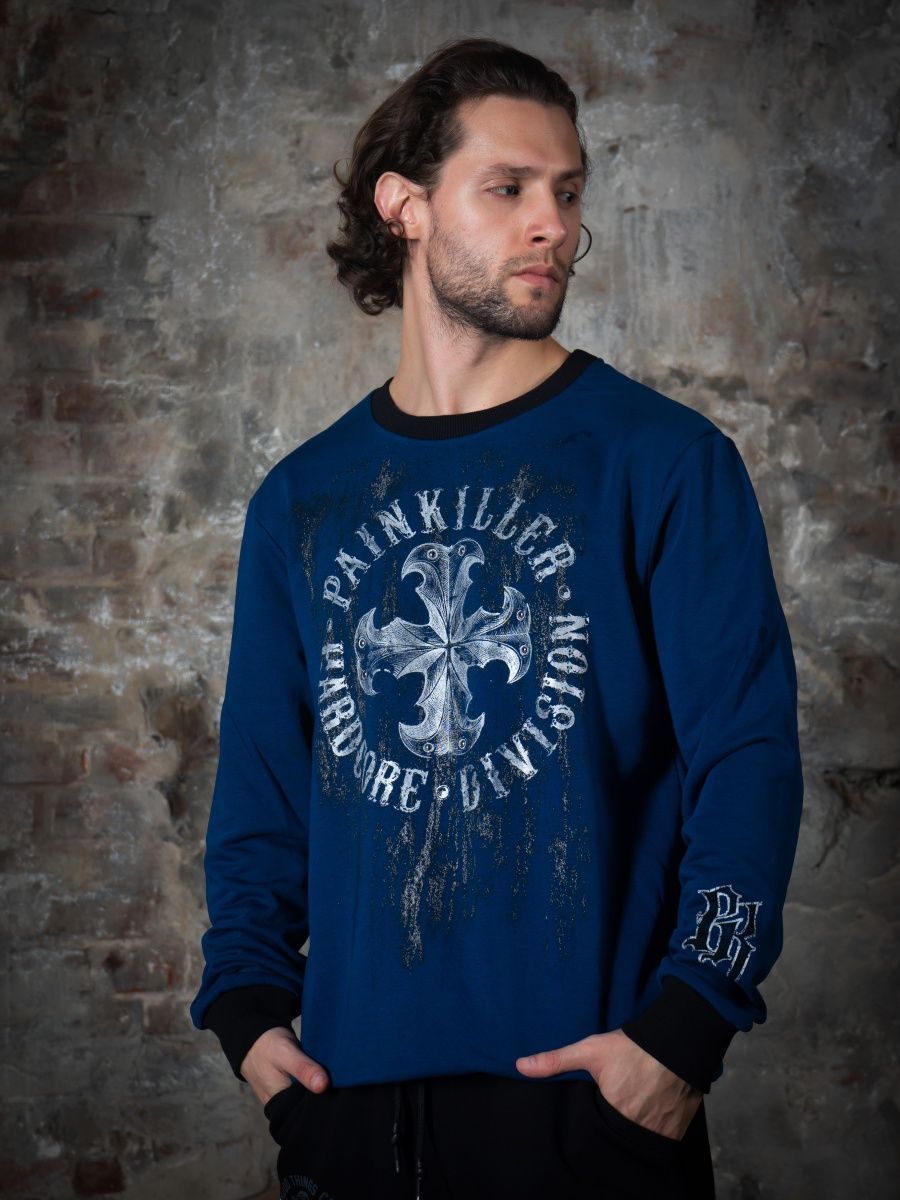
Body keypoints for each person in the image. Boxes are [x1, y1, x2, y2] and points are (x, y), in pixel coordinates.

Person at [188, 35, 804, 1200]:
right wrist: (248, 1014)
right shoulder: (304, 501)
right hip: (345, 1115)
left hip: (589, 1113)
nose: (553, 226)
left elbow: (749, 761)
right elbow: (263, 787)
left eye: (568, 192)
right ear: (405, 207)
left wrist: (684, 1033)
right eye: (509, 188)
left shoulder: (663, 462)